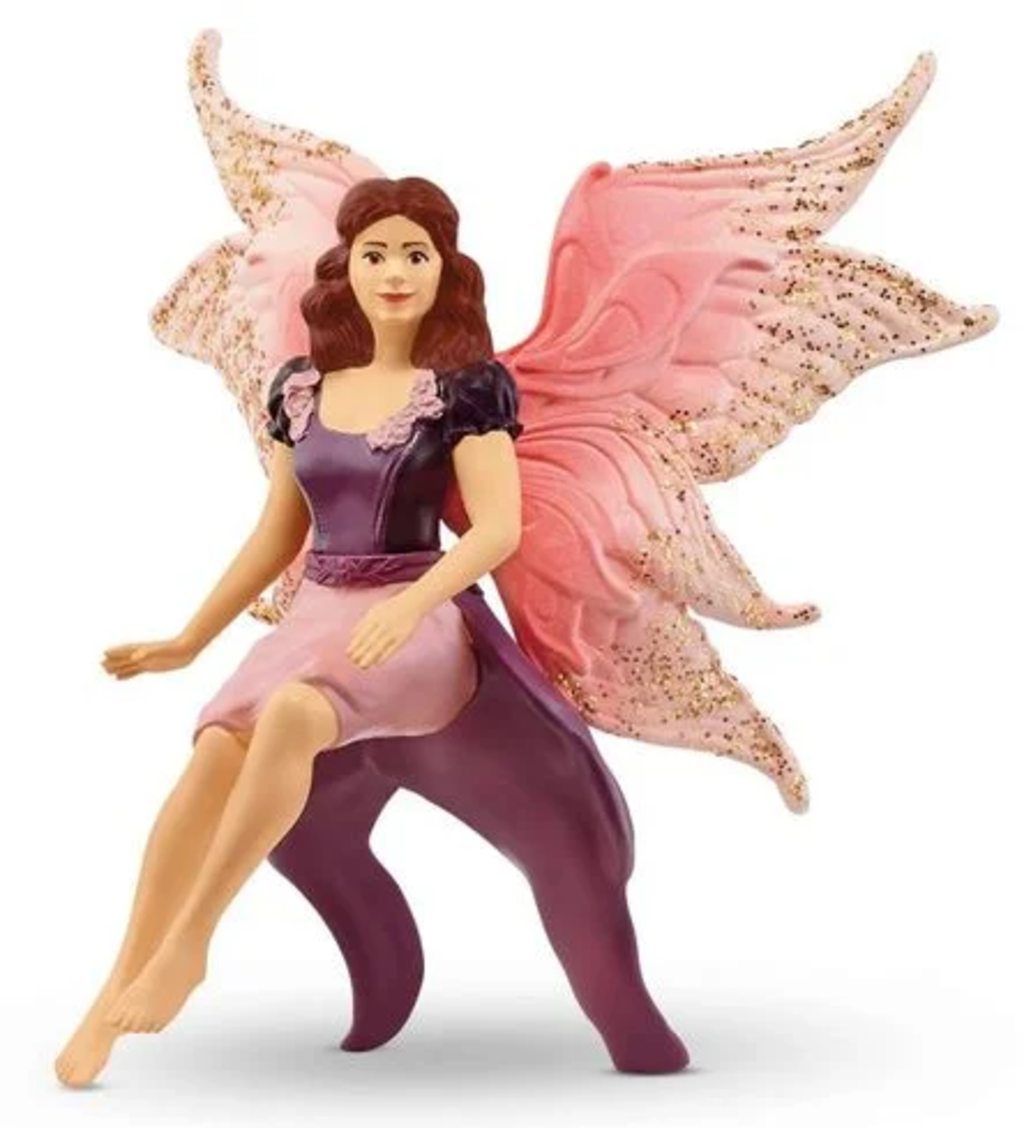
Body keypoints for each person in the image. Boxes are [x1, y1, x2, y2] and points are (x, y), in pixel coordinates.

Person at [54, 30, 999, 1088]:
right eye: (377, 254)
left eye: (416, 255)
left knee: (290, 720)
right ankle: (114, 987)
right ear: (346, 268)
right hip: (319, 611)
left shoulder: (467, 391)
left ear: (445, 271)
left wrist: (415, 603)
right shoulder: (303, 389)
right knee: (211, 752)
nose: (395, 273)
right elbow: (277, 532)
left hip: (417, 620)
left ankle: (190, 947)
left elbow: (496, 531)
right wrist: (187, 638)